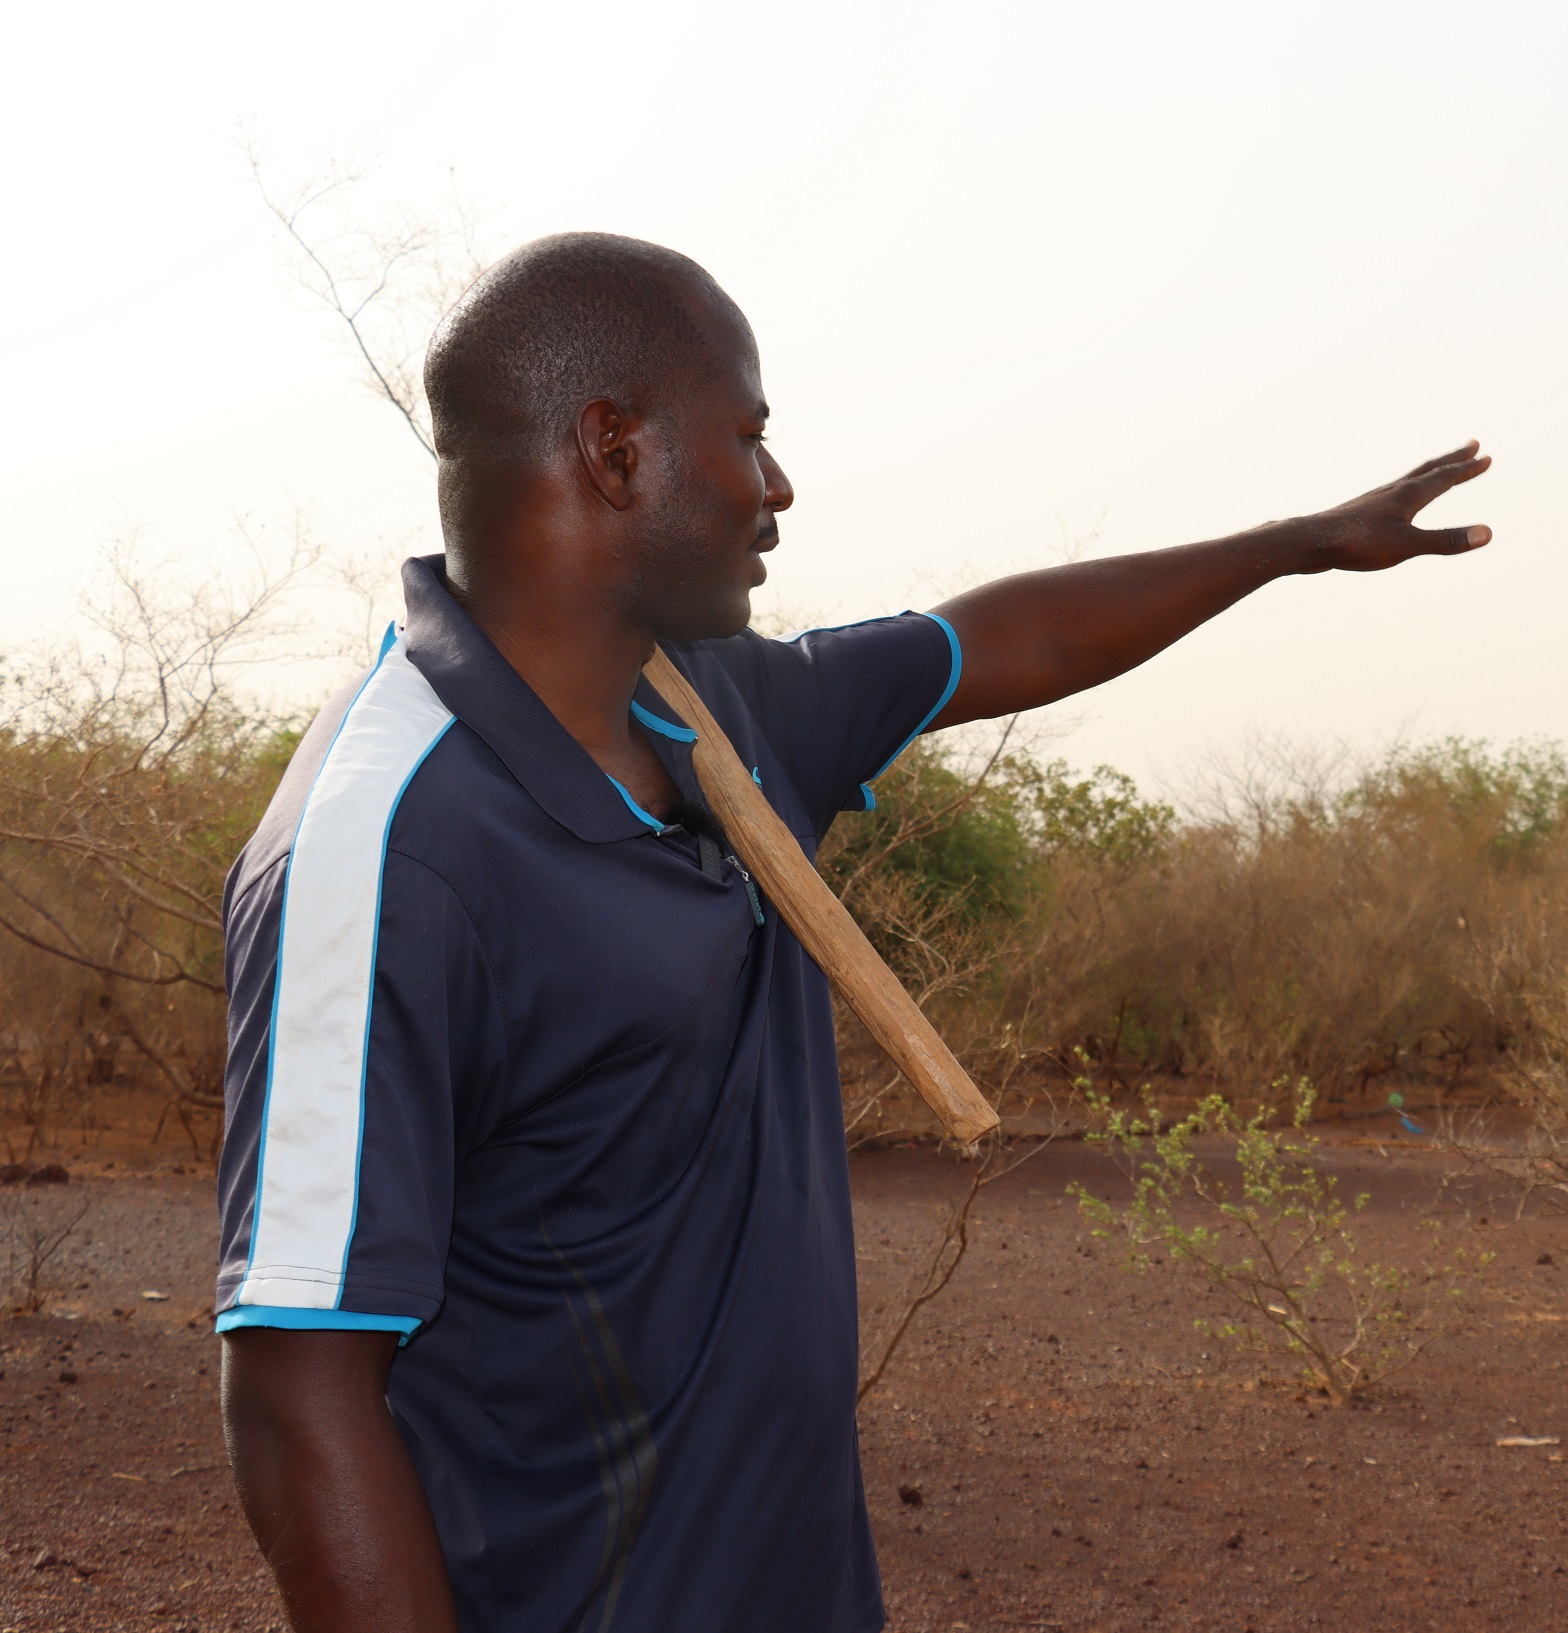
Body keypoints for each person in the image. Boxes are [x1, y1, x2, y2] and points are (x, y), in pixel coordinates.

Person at [215, 231, 1490, 1633]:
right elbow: (298, 1389)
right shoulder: (384, 842)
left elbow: (985, 642)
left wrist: (1292, 546)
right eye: (748, 437)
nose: (777, 485)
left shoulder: (713, 708)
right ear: (614, 450)